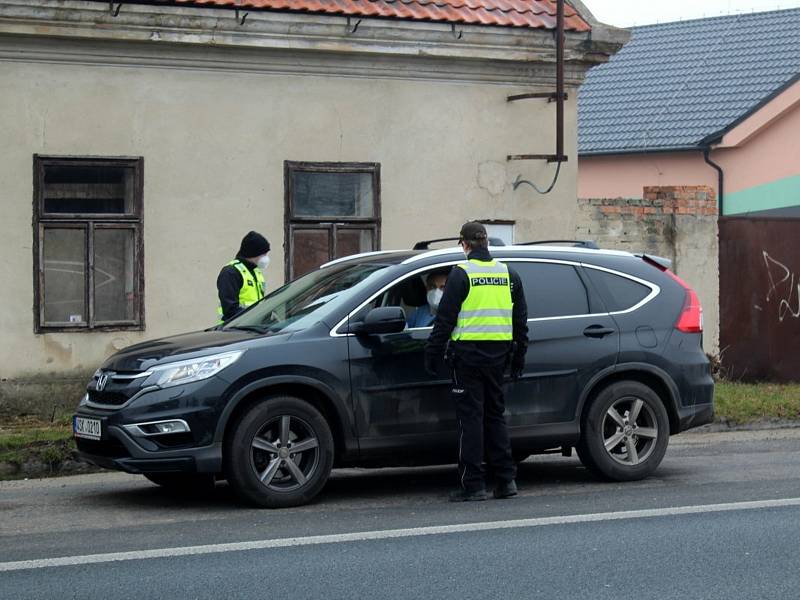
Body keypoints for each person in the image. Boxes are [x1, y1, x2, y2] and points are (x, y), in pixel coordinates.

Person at [424, 221, 528, 502]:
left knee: (471, 421)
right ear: (487, 243)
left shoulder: (461, 274)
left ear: (464, 244)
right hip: (498, 359)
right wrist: (519, 358)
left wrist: (432, 355)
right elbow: (521, 323)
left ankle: (473, 485)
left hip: (467, 359)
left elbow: (444, 322)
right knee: (495, 417)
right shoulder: (508, 274)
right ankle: (506, 481)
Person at [216, 231, 271, 323]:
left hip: (253, 328)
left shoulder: (256, 272)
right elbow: (230, 309)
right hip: (234, 330)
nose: (266, 257)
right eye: (263, 254)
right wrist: (257, 316)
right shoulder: (231, 272)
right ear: (253, 253)